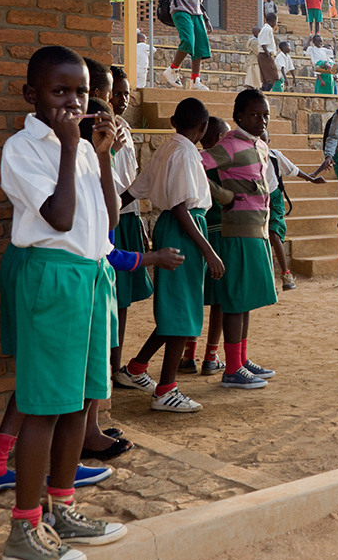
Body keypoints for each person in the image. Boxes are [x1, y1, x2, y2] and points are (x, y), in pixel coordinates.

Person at [0, 46, 127, 560]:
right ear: (32, 96)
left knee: (79, 402)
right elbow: (57, 217)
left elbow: (110, 219)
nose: (73, 102)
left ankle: (62, 506)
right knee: (46, 403)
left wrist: (100, 155)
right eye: (60, 92)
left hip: (91, 277)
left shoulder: (84, 147)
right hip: (52, 277)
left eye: (81, 92)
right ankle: (24, 528)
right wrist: (72, 147)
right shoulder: (24, 148)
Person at [116, 97, 220, 414]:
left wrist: (102, 213)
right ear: (202, 128)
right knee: (180, 311)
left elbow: (133, 191)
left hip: (173, 227)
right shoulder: (185, 154)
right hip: (185, 229)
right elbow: (179, 207)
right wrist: (208, 249)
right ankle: (166, 389)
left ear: (174, 121)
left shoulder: (166, 149)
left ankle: (135, 367)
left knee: (177, 306)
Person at [203, 89, 279, 388]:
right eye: (255, 114)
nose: (262, 120)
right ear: (238, 117)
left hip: (256, 230)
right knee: (235, 299)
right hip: (236, 232)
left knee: (246, 298)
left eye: (265, 114)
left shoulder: (259, 145)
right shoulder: (230, 144)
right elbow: (195, 164)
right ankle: (232, 368)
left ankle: (241, 359)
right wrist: (223, 195)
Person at [107, 68, 152, 375]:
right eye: (116, 93)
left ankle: (115, 364)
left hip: (129, 216)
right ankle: (108, 367)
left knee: (123, 301)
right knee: (112, 298)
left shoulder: (125, 127)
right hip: (112, 218)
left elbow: (131, 177)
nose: (121, 99)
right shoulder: (100, 130)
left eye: (125, 94)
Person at [179, 116, 232, 376]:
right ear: (220, 138)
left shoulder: (193, 159)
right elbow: (227, 197)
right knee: (220, 300)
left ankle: (189, 354)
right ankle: (211, 355)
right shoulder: (222, 164)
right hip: (219, 233)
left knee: (196, 296)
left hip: (197, 232)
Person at [139, 0, 211, 91]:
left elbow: (199, 1)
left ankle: (195, 80)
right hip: (181, 11)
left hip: (196, 14)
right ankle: (172, 70)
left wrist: (206, 19)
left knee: (200, 46)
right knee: (188, 41)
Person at [267, 135, 327, 291]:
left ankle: (286, 274)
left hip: (273, 199)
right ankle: (267, 279)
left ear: (268, 142)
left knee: (274, 234)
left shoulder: (274, 156)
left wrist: (311, 179)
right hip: (254, 199)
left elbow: (292, 169)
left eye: (264, 141)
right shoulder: (248, 156)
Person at [256, 10, 278, 92]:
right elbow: (263, 43)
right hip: (265, 54)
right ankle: (266, 93)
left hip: (264, 54)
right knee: (273, 76)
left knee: (265, 79)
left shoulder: (267, 29)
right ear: (273, 21)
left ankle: (262, 93)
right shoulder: (267, 29)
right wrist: (268, 55)